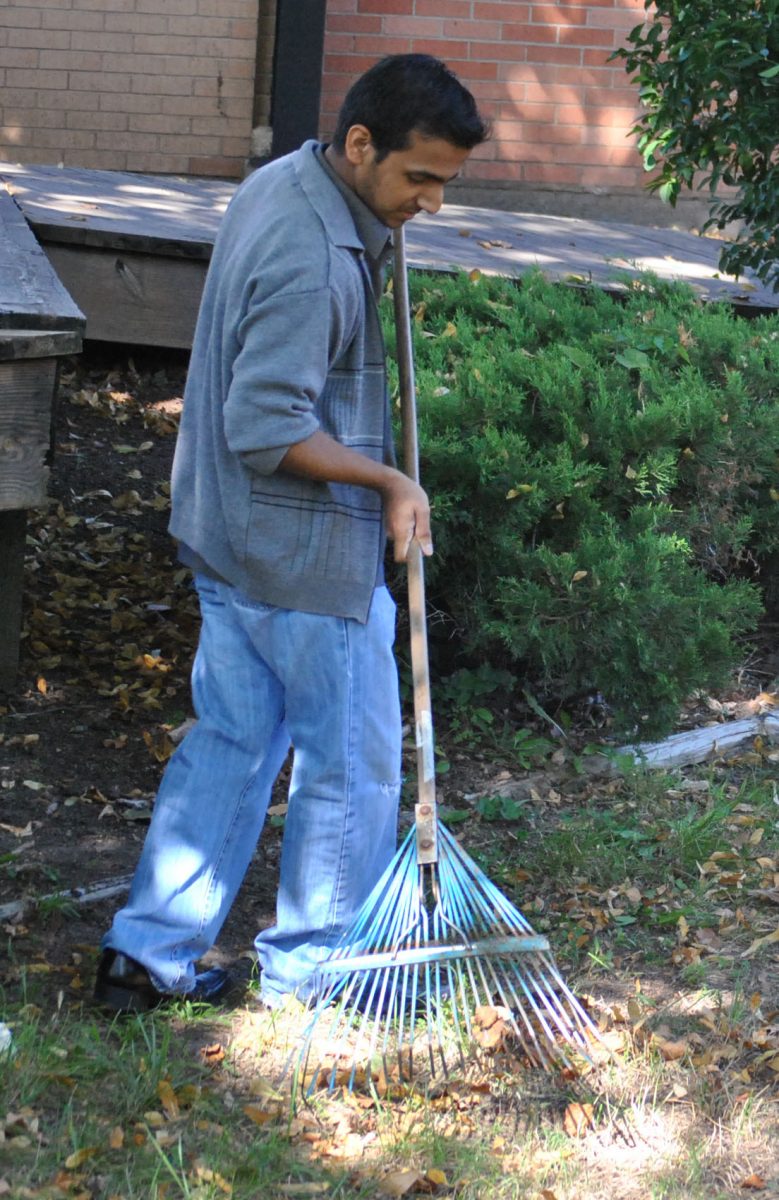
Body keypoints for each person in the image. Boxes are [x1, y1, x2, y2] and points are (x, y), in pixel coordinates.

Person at [94, 54, 488, 1013]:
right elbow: (267, 426)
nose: (432, 203)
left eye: (443, 182)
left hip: (230, 538)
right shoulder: (317, 259)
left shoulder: (289, 182)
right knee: (349, 767)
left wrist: (383, 226)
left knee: (231, 743)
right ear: (360, 145)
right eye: (418, 179)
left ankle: (147, 956)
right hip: (305, 557)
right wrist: (388, 476)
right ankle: (319, 974)